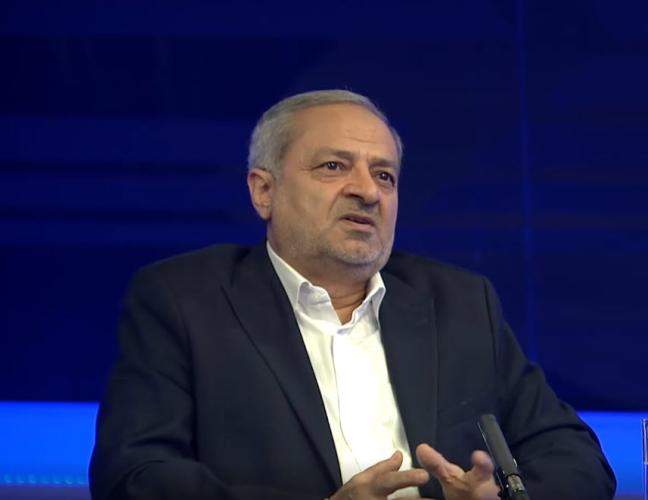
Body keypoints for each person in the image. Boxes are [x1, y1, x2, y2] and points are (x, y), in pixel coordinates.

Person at [89, 90, 616, 500]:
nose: (367, 191)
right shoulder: (184, 300)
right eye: (334, 167)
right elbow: (133, 476)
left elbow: (575, 458)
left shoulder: (458, 303)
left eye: (384, 175)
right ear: (263, 191)